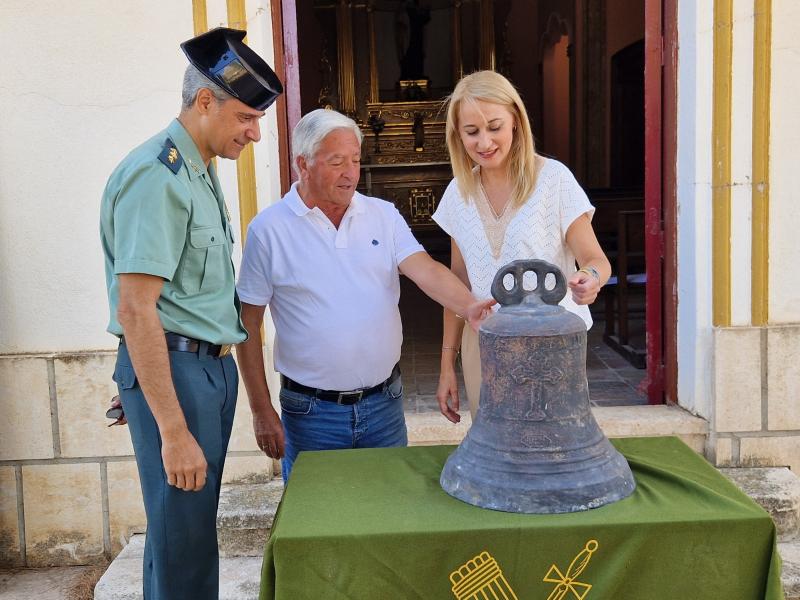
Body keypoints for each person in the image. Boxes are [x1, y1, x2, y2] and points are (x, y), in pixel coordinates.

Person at [99, 28, 282, 600]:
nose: (255, 133)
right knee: (184, 540)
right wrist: (171, 428)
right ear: (206, 100)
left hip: (204, 370)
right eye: (246, 118)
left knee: (184, 533)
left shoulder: (199, 168)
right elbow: (136, 308)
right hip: (179, 374)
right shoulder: (159, 177)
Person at [235, 108, 494, 482]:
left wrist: (469, 306)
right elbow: (248, 323)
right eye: (336, 162)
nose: (350, 173)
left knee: (388, 505)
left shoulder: (382, 215)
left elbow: (425, 270)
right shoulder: (269, 230)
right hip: (312, 415)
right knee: (317, 513)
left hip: (384, 406)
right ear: (303, 165)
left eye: (355, 160)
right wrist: (260, 410)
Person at [433, 70, 611, 423]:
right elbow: (458, 285)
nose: (484, 142)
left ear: (515, 119)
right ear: (458, 135)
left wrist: (590, 278)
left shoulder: (554, 179)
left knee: (555, 443)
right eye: (472, 132)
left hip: (550, 342)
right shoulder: (458, 193)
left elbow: (595, 259)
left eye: (494, 127)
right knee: (492, 446)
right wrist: (446, 364)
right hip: (483, 343)